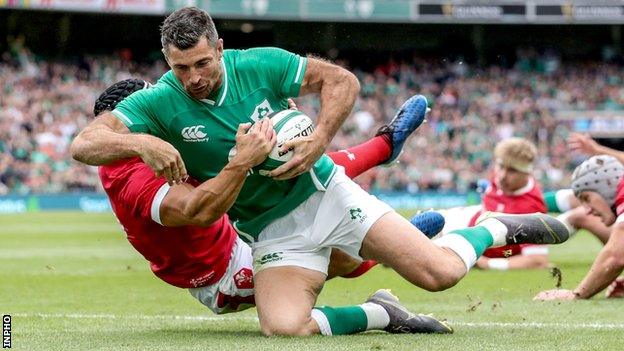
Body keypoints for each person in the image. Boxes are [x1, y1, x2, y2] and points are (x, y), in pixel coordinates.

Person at [71, 7, 571, 336]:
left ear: (220, 47)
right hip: (270, 234)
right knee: (284, 330)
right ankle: (381, 313)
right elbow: (85, 143)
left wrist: (320, 141)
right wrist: (140, 140)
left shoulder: (258, 64)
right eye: (182, 68)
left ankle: (491, 229)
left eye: (202, 63)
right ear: (167, 61)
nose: (194, 78)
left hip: (329, 196)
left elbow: (340, 80)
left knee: (439, 274)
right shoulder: (160, 101)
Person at [93, 78, 451, 328]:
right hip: (221, 272)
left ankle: (385, 151)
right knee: (330, 255)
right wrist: (246, 160)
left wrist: (275, 125)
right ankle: (383, 276)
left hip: (233, 230)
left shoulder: (163, 141)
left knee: (286, 169)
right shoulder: (127, 175)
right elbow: (196, 210)